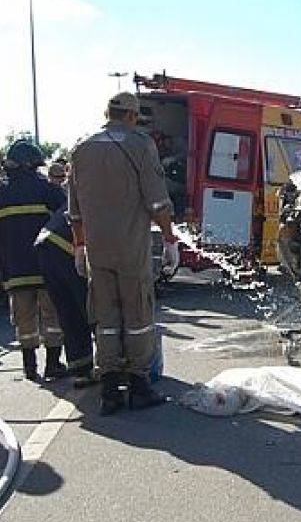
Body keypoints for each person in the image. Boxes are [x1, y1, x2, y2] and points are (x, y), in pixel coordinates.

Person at [68, 92, 180, 415]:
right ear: (131, 116)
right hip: (131, 248)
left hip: (97, 250)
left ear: (107, 114)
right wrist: (170, 240)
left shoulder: (81, 148)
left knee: (105, 317)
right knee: (137, 315)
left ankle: (110, 390)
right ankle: (138, 386)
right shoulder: (141, 144)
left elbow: (75, 212)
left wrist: (79, 247)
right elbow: (157, 202)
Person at [0, 139, 68, 381]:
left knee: (23, 320)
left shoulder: (2, 192)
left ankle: (30, 368)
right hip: (46, 267)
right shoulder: (48, 190)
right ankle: (53, 365)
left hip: (14, 270)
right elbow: (68, 219)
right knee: (52, 317)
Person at [35, 204, 96, 387]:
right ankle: (113, 367)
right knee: (92, 306)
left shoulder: (82, 193)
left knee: (69, 311)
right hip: (67, 245)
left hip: (46, 244)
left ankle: (81, 370)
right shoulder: (112, 199)